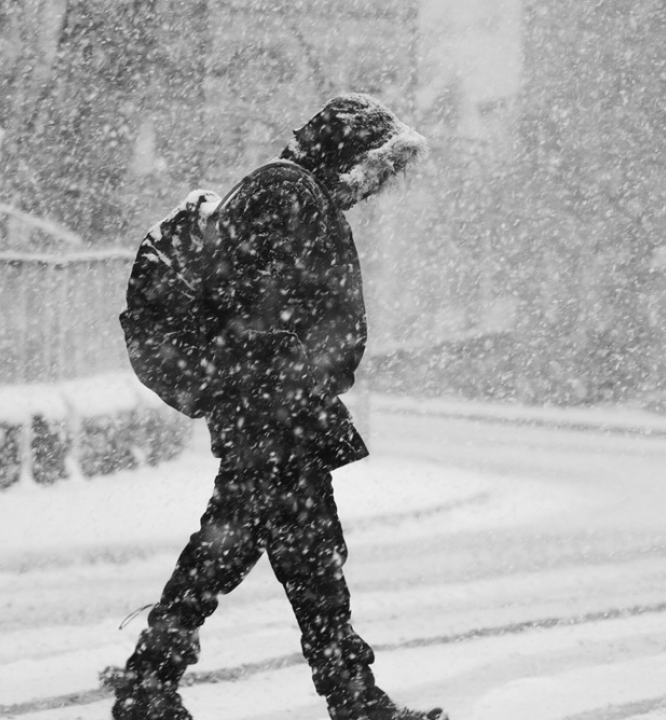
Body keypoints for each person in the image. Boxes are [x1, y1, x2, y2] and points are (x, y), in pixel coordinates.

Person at [104, 95, 440, 720]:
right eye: (372, 171)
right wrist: (281, 381)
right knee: (254, 551)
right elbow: (254, 305)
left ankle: (159, 680)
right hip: (272, 410)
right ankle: (154, 681)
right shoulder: (286, 192)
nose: (372, 189)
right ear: (347, 156)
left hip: (277, 406)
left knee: (292, 555)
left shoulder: (291, 191)